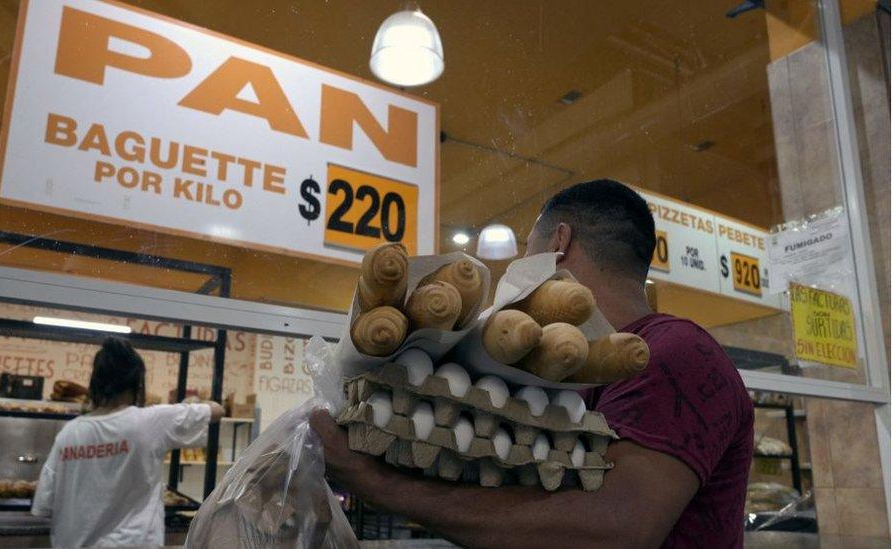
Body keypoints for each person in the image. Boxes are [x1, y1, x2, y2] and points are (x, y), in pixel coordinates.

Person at [311, 179, 754, 548]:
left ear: (559, 243)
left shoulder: (675, 353)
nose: (520, 268)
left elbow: (615, 528)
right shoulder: (559, 370)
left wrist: (380, 484)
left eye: (528, 251)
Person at [32, 337, 224, 548]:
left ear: (96, 383)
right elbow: (217, 410)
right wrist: (192, 404)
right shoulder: (150, 421)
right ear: (136, 383)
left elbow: (44, 504)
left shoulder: (69, 433)